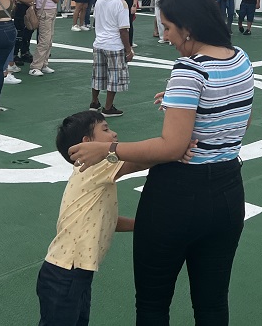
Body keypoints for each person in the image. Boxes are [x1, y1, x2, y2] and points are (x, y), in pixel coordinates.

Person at [68, 0, 253, 324]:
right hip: (228, 192)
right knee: (212, 304)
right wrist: (178, 103)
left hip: (177, 197)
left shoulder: (189, 70)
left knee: (153, 305)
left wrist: (107, 149)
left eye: (168, 28)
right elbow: (238, 115)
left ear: (188, 27)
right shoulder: (240, 59)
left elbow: (172, 147)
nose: (166, 36)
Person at [38, 111, 195, 326]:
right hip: (66, 274)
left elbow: (105, 221)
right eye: (105, 129)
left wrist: (141, 226)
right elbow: (138, 162)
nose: (113, 134)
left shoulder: (92, 174)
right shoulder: (96, 166)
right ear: (87, 144)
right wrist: (174, 151)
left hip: (73, 273)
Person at [90, 0, 133, 116]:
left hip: (99, 42)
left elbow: (96, 18)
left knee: (98, 75)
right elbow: (123, 31)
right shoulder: (121, 3)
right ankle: (108, 108)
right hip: (114, 45)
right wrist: (129, 50)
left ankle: (94, 102)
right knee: (114, 78)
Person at [29, 0, 59, 77]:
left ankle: (43, 64)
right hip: (47, 13)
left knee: (48, 39)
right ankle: (36, 66)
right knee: (45, 40)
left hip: (45, 13)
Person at [13, 0, 39, 66]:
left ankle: (25, 51)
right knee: (19, 31)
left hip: (31, 6)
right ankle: (15, 54)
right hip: (22, 6)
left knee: (29, 29)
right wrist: (28, 2)